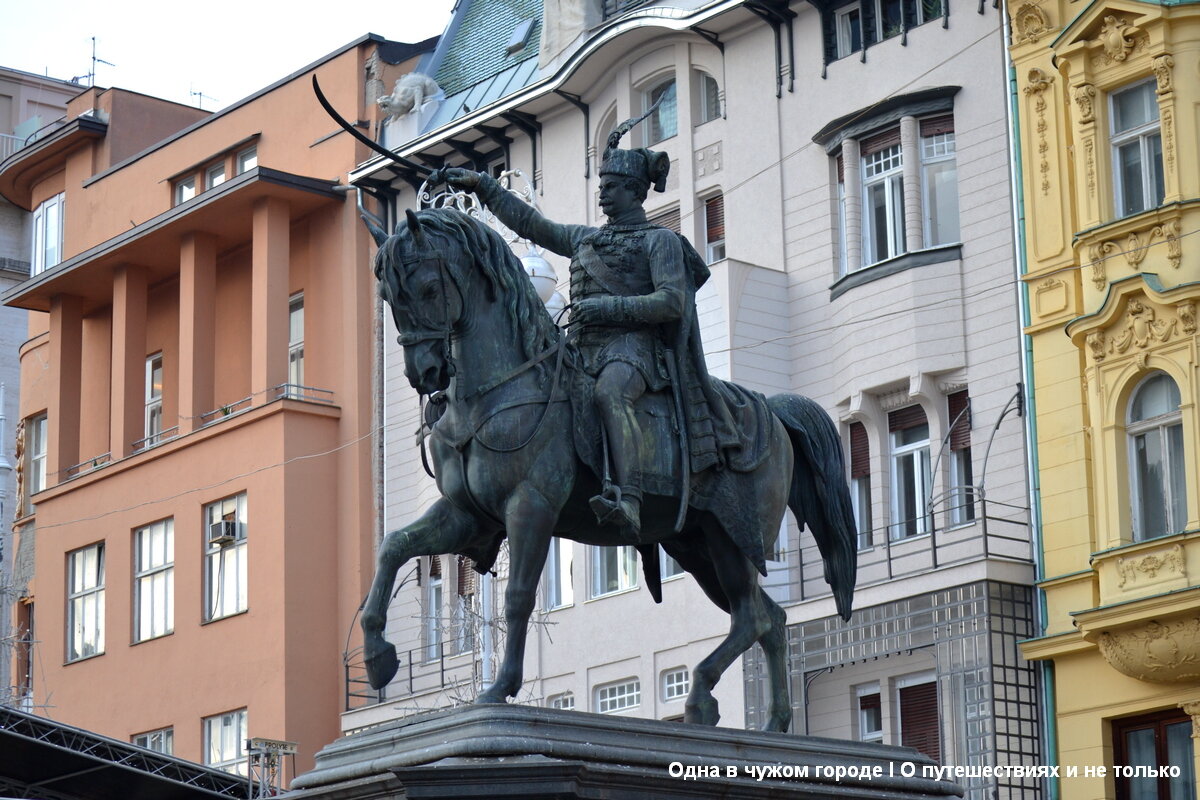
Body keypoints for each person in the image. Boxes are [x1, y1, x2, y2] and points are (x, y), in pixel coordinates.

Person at [438, 113, 734, 541]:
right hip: (581, 347)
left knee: (609, 391)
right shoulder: (585, 240)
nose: (602, 194)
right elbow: (531, 225)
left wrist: (606, 307)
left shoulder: (661, 242)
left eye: (610, 187)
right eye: (601, 186)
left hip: (636, 350)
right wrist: (483, 187)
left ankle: (629, 498)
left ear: (634, 191)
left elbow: (671, 302)